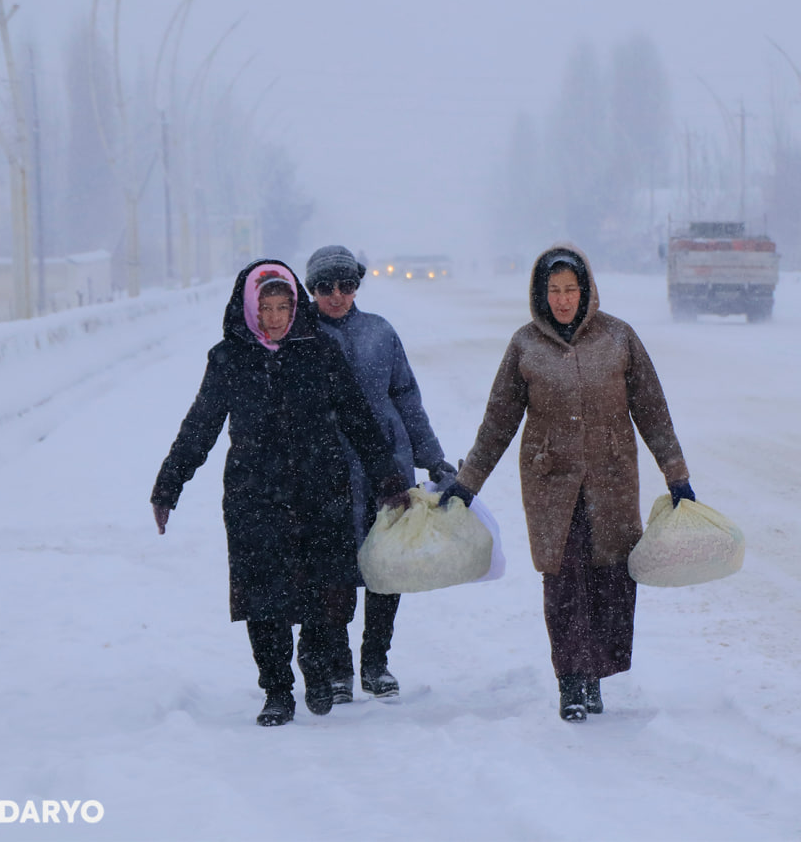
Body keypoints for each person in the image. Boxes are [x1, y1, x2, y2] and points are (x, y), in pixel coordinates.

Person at [439, 243, 696, 722]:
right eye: (554, 290)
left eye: (571, 289)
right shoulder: (525, 345)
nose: (562, 299)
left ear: (587, 290)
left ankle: (596, 673)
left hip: (612, 478)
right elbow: (499, 421)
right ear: (541, 293)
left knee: (612, 578)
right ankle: (572, 682)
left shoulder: (619, 338)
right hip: (551, 482)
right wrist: (468, 481)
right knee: (563, 579)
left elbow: (653, 411)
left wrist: (676, 474)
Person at [150, 260, 408, 727]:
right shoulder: (228, 359)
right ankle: (276, 690)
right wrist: (169, 484)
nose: (274, 317)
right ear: (249, 308)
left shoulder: (321, 351)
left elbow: (358, 419)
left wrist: (388, 478)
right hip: (255, 494)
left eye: (283, 306)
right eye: (265, 308)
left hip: (320, 489)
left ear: (295, 306)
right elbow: (200, 426)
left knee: (322, 589)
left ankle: (314, 662)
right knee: (262, 596)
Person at [304, 244, 457, 701]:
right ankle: (337, 667)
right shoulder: (301, 336)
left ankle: (376, 661)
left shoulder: (379, 332)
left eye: (346, 285)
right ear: (311, 289)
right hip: (326, 468)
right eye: (325, 287)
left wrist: (432, 456)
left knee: (388, 564)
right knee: (334, 569)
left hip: (387, 465)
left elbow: (407, 397)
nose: (336, 295)